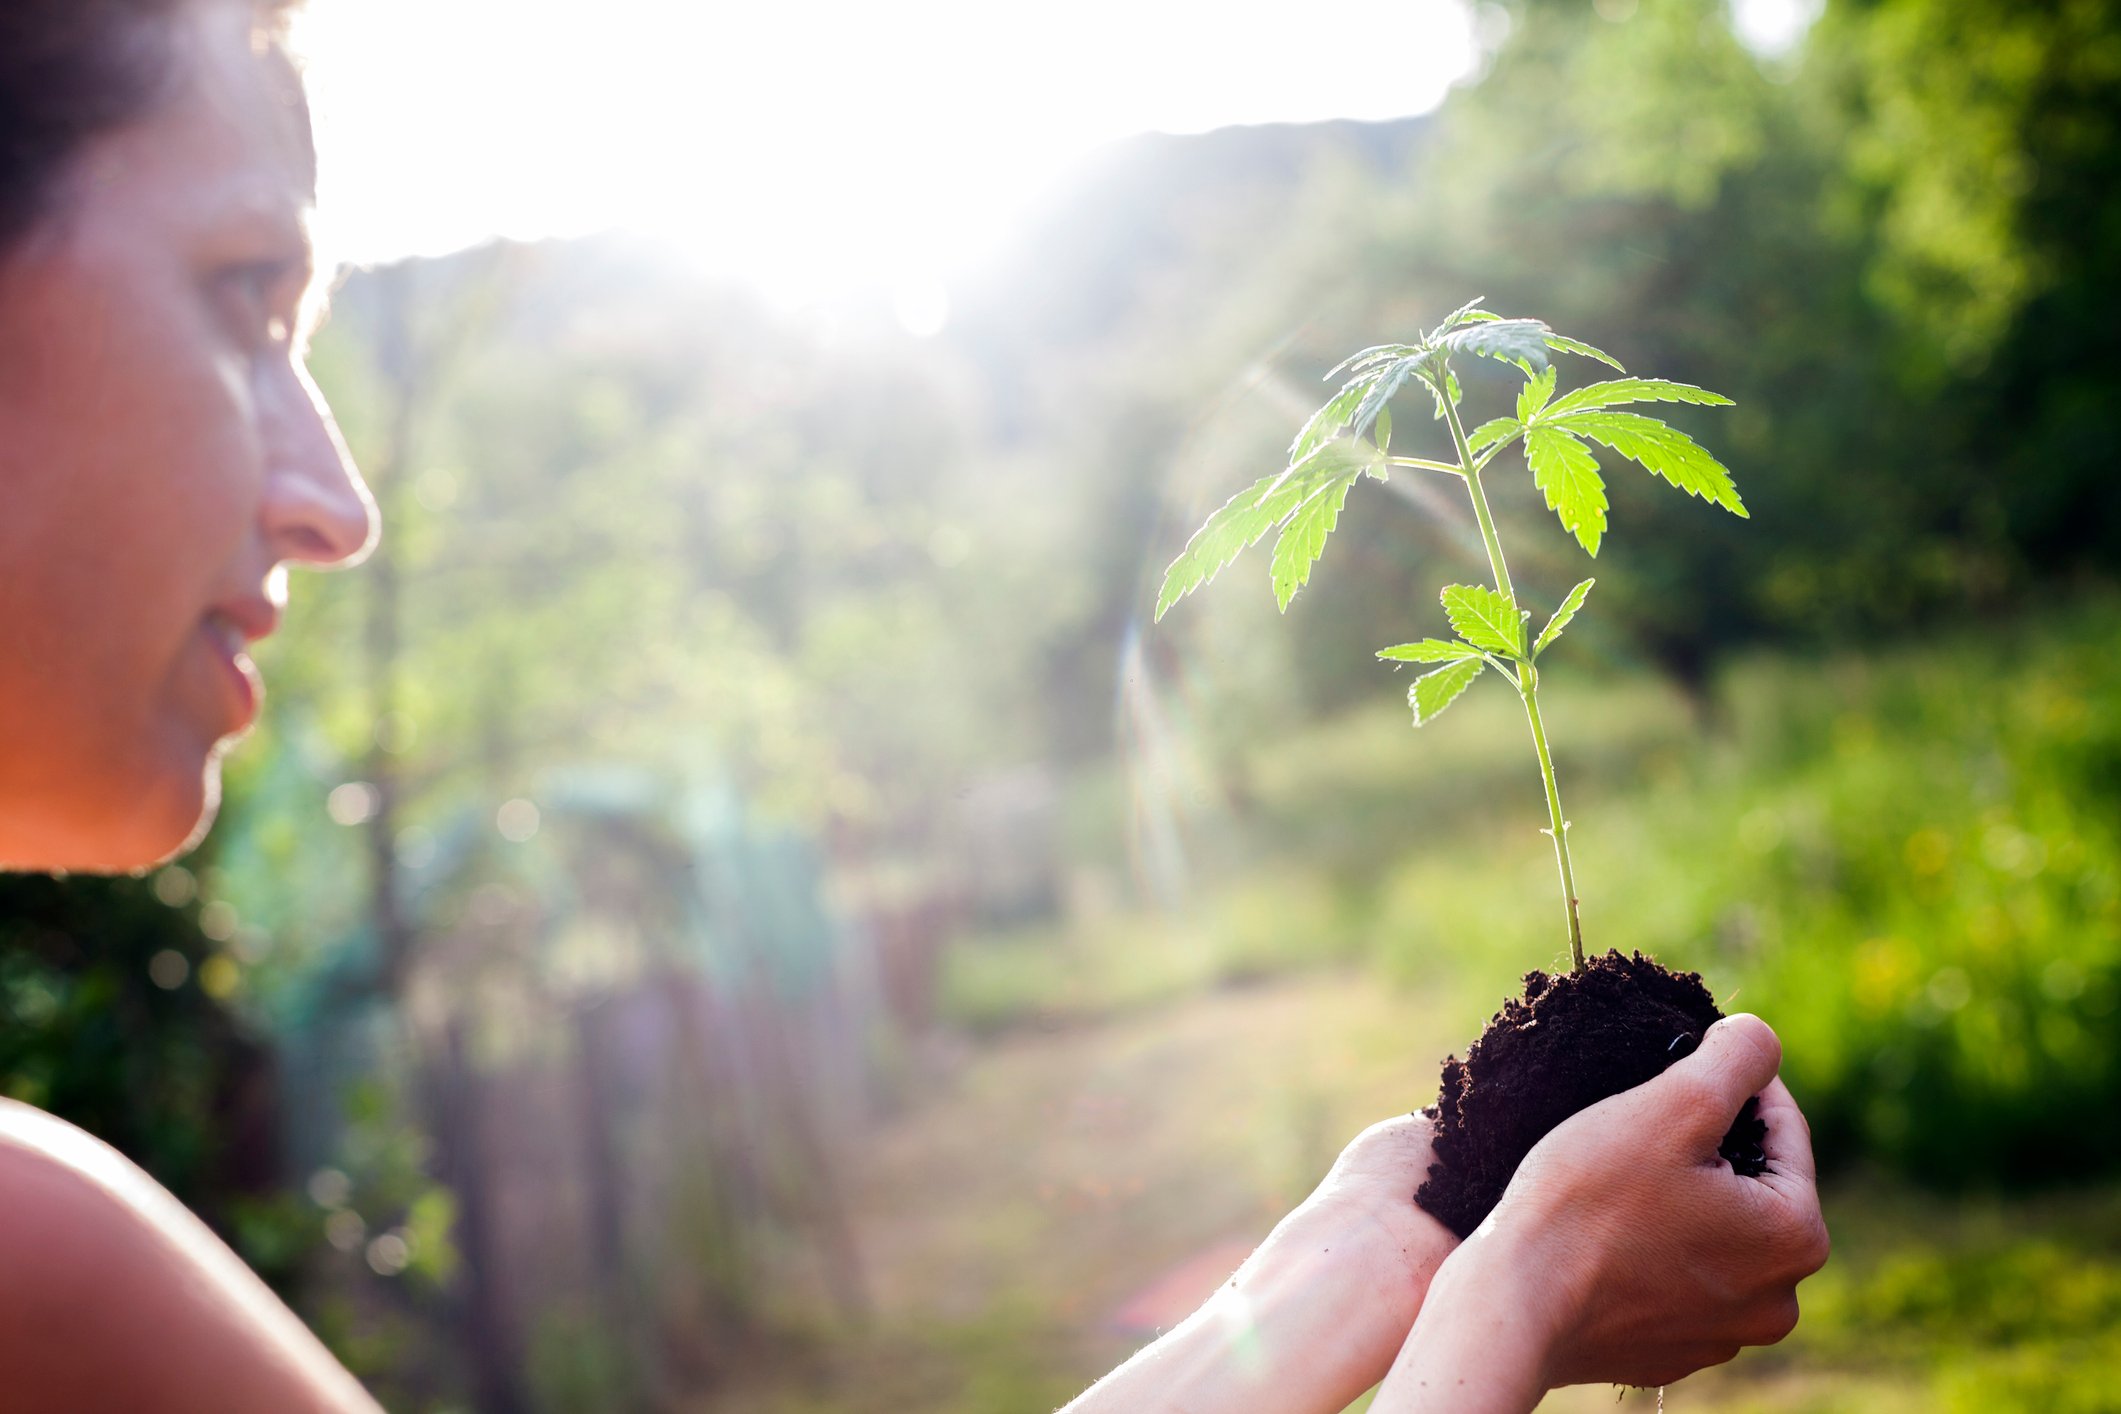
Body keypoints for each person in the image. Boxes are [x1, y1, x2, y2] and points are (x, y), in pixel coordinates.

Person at [0, 1, 1828, 1409]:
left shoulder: (49, 1245)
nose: (340, 497)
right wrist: (1508, 1310)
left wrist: (1344, 1290)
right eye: (243, 300)